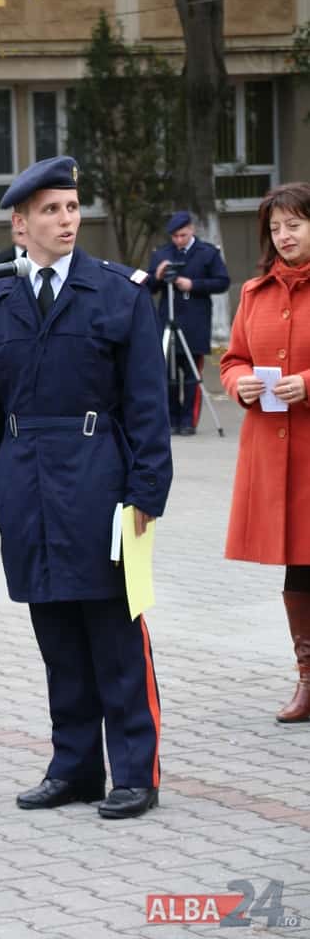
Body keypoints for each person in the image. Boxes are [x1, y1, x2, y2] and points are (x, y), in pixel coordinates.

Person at [0, 156, 173, 819]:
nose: (66, 220)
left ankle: (133, 772)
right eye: (50, 210)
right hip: (25, 484)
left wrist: (146, 492)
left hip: (98, 481)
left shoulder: (117, 293)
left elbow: (147, 404)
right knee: (57, 636)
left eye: (72, 207)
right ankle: (75, 767)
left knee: (115, 635)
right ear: (19, 226)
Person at [221, 181, 310, 724]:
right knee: (299, 565)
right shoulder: (255, 293)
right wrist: (242, 384)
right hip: (279, 458)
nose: (284, 235)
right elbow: (232, 359)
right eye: (275, 228)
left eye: (294, 224)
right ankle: (308, 680)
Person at [147, 211, 230, 436]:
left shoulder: (207, 253)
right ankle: (171, 419)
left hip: (195, 323)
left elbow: (222, 282)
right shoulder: (163, 254)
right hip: (168, 323)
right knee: (167, 375)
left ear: (191, 230)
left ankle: (188, 421)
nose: (179, 240)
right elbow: (148, 287)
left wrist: (193, 285)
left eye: (183, 235)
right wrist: (157, 275)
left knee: (192, 375)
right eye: (175, 236)